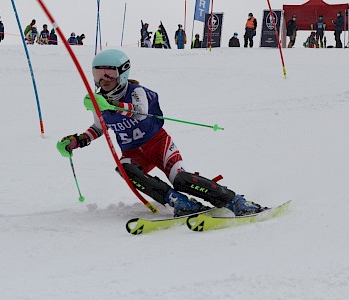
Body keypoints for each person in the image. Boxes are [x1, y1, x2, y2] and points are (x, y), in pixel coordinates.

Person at [56, 49, 266, 217]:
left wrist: (111, 104)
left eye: (109, 73)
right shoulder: (97, 101)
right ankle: (178, 202)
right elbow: (99, 127)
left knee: (181, 179)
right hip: (133, 152)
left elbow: (140, 114)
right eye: (98, 74)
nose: (104, 79)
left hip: (159, 145)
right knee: (124, 169)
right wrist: (77, 141)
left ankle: (234, 200)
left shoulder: (136, 92)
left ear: (123, 72)